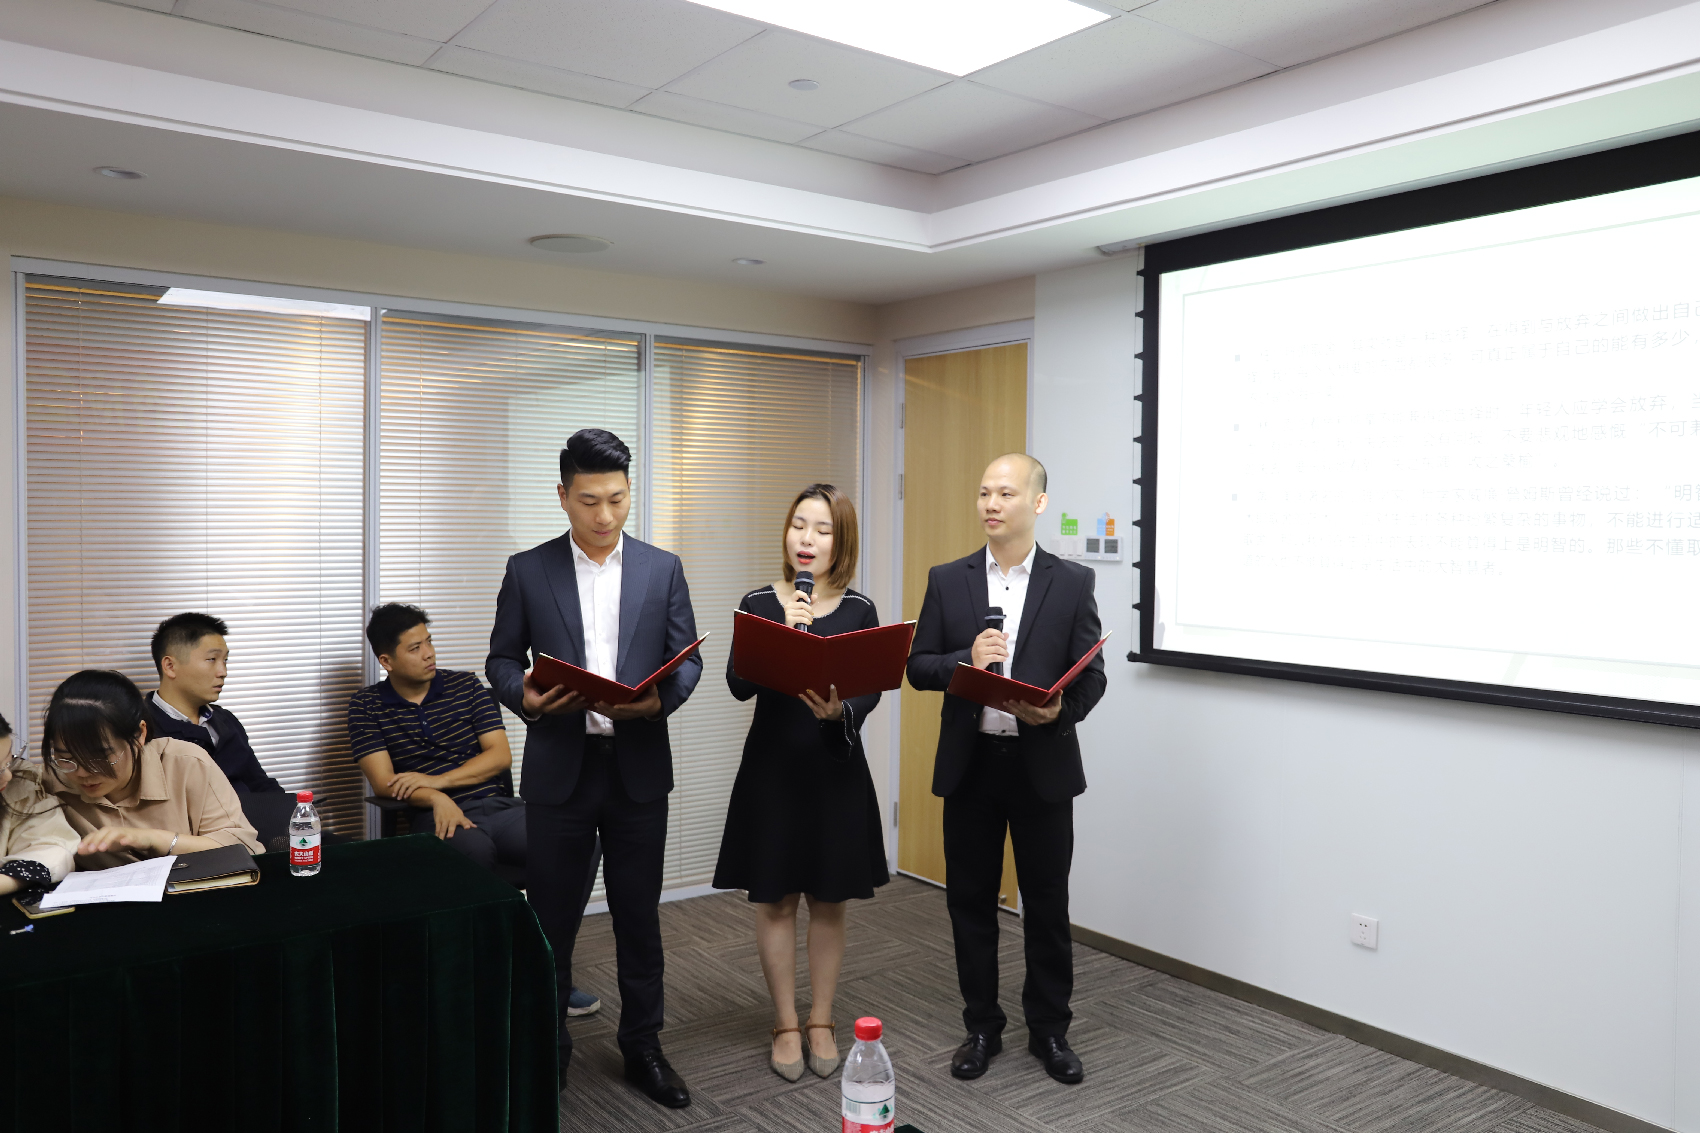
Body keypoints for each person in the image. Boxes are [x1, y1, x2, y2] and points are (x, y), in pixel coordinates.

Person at [486, 427, 703, 1108]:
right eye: (588, 501)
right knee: (552, 919)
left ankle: (644, 1047)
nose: (605, 515)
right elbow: (500, 658)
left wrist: (658, 701)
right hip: (561, 770)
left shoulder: (662, 568)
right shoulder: (529, 570)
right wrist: (523, 695)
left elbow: (688, 659)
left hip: (638, 770)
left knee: (639, 916)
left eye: (617, 498)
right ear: (562, 496)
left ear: (630, 491)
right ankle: (547, 1048)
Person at [905, 454, 1107, 1086]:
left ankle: (1049, 1030)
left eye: (1006, 493)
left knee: (1046, 903)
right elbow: (918, 666)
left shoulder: (1071, 582)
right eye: (984, 493)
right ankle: (981, 1028)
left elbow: (1093, 677)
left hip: (1041, 766)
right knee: (970, 902)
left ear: (1038, 503)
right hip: (972, 767)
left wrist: (1059, 711)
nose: (991, 504)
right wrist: (964, 659)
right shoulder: (949, 579)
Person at [713, 484, 888, 1082]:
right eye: (798, 525)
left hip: (834, 771)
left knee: (829, 901)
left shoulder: (860, 609)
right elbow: (738, 684)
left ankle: (821, 1020)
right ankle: (786, 1023)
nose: (806, 539)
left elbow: (870, 689)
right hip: (772, 772)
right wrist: (785, 634)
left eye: (822, 529)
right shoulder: (759, 602)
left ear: (841, 541)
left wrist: (843, 711)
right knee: (776, 900)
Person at [349, 603, 526, 868]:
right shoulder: (367, 706)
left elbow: (500, 756)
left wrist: (437, 782)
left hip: (499, 807)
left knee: (568, 842)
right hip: (434, 814)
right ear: (386, 661)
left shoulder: (466, 685)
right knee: (475, 852)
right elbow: (384, 782)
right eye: (415, 648)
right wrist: (436, 797)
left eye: (429, 642)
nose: (429, 653)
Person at [42, 669, 263, 869]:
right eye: (67, 757)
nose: (82, 772)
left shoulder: (187, 764)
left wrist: (151, 839)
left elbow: (243, 849)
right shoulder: (48, 783)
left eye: (100, 757)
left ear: (139, 734)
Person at [146, 612, 282, 795]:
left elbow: (259, 784)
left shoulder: (226, 720)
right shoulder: (142, 730)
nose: (223, 671)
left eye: (225, 660)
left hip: (247, 814)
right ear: (170, 666)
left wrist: (293, 808)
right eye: (212, 659)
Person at [0, 712, 79, 897]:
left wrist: (7, 881)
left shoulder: (19, 784)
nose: (8, 776)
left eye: (8, 762)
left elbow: (54, 848)